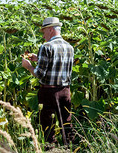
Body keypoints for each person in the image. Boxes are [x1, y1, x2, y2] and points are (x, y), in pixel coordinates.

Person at [22, 17, 75, 148]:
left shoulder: (46, 47)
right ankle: (72, 148)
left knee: (48, 128)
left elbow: (40, 75)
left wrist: (28, 66)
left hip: (48, 92)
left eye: (44, 31)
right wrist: (38, 58)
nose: (43, 34)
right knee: (66, 123)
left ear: (51, 30)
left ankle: (51, 150)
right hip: (65, 91)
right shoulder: (70, 47)